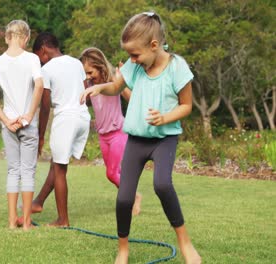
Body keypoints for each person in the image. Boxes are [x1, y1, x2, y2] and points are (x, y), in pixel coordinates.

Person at [80, 12, 201, 264]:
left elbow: (187, 105)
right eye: (130, 55)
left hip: (163, 138)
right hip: (136, 139)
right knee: (124, 197)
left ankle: (185, 243)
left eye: (135, 54)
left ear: (154, 45)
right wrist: (100, 87)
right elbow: (116, 87)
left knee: (162, 185)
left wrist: (165, 117)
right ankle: (123, 250)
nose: (131, 60)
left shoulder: (177, 67)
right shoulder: (135, 66)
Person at [0, 20, 44, 230]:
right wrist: (28, 115)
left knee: (12, 170)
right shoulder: (32, 59)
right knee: (27, 171)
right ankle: (26, 223)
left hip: (8, 123)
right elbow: (39, 86)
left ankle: (12, 222)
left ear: (6, 37)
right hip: (28, 123)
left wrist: (4, 119)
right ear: (26, 38)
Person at [31, 32, 91, 227]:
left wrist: (40, 136)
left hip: (66, 118)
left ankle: (62, 220)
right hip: (83, 117)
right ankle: (38, 202)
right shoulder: (76, 63)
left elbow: (45, 106)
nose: (39, 61)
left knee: (59, 169)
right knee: (57, 163)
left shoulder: (46, 70)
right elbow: (86, 94)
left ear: (43, 50)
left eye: (38, 57)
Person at [79, 47, 142, 216]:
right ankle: (129, 198)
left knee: (112, 173)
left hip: (118, 133)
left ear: (100, 65)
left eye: (90, 72)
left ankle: (135, 197)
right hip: (103, 135)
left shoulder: (114, 79)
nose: (88, 76)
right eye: (85, 73)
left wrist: (124, 79)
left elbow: (131, 97)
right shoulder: (90, 84)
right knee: (114, 174)